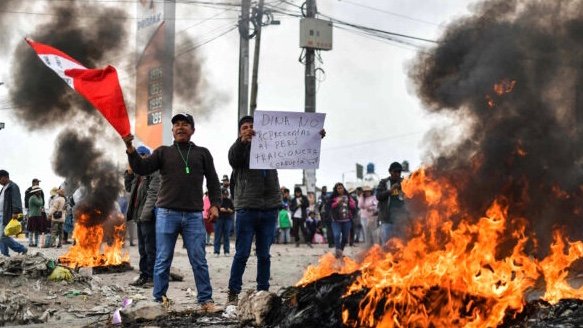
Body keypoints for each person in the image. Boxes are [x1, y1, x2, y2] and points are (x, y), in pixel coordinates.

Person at [122, 112, 221, 312]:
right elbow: (141, 167)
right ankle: (159, 301)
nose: (180, 127)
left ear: (192, 130)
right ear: (172, 130)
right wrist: (130, 148)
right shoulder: (162, 152)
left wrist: (215, 205)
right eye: (177, 124)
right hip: (166, 213)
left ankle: (206, 301)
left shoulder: (202, 153)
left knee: (198, 259)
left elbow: (213, 180)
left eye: (185, 124)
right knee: (162, 258)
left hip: (194, 214)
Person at [227, 115, 325, 305]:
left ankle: (263, 292)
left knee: (264, 254)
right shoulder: (239, 150)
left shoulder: (273, 146)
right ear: (240, 132)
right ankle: (233, 293)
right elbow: (233, 158)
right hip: (247, 208)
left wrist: (314, 137)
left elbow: (295, 147)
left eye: (252, 126)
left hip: (269, 208)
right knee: (242, 253)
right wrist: (242, 142)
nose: (249, 129)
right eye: (244, 127)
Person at [124, 145, 161, 287]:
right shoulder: (138, 174)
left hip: (148, 216)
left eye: (139, 156)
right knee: (142, 249)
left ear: (146, 156)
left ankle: (152, 277)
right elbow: (128, 189)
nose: (136, 160)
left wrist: (145, 215)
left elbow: (153, 195)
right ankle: (144, 275)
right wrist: (128, 174)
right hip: (139, 216)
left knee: (150, 248)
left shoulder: (154, 172)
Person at [376, 162, 408, 246]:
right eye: (395, 171)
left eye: (399, 172)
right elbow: (378, 196)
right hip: (387, 220)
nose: (397, 174)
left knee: (401, 245)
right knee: (386, 245)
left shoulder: (405, 182)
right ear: (390, 171)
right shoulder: (384, 182)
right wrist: (390, 191)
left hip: (402, 221)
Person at [0, 169, 28, 256]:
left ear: (5, 177)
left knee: (3, 236)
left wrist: (16, 212)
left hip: (7, 214)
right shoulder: (4, 188)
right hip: (1, 214)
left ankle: (22, 248)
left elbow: (16, 199)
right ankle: (5, 254)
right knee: (1, 236)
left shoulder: (13, 186)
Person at [330, 182, 356, 258]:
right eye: (338, 188)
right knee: (336, 235)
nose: (340, 189)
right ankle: (338, 252)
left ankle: (340, 250)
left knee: (345, 238)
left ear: (343, 188)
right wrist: (338, 202)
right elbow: (330, 206)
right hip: (336, 221)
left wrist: (351, 202)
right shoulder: (333, 198)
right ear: (336, 189)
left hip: (347, 221)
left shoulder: (348, 197)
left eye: (341, 188)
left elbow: (353, 206)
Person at [214, 188, 234, 256]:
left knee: (226, 235)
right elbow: (214, 209)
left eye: (226, 194)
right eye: (223, 194)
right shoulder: (218, 201)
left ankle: (226, 251)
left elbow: (233, 210)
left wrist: (229, 210)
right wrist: (220, 209)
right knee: (217, 235)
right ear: (221, 194)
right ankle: (216, 251)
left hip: (228, 219)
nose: (225, 195)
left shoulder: (229, 201)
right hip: (219, 219)